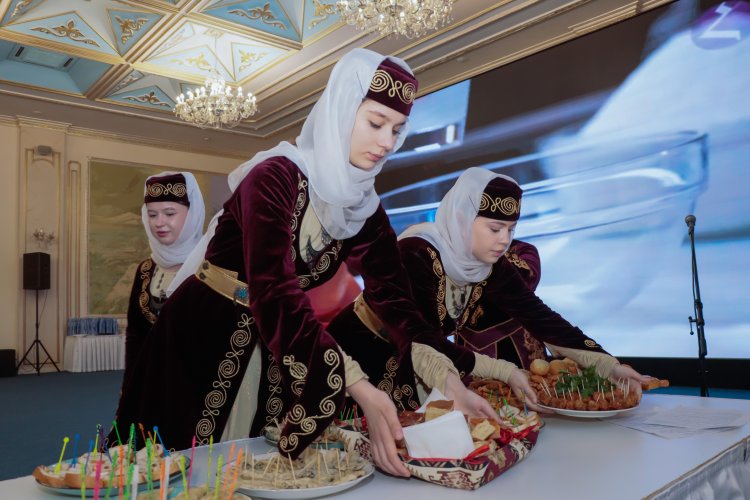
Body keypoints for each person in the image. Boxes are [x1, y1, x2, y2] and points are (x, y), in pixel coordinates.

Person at [111, 48, 496, 477]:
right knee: (182, 466)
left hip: (277, 342)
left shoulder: (363, 206)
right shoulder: (274, 177)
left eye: (397, 129)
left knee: (256, 467)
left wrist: (450, 382)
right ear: (341, 111)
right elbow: (274, 290)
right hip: (205, 330)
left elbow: (397, 302)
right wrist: (359, 386)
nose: (387, 142)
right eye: (375, 123)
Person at [327, 167, 649, 411]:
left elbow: (540, 317)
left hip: (422, 361)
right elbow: (421, 338)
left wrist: (610, 365)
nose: (504, 240)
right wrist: (503, 371)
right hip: (359, 353)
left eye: (511, 229)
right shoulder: (415, 253)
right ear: (462, 218)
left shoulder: (486, 264)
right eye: (495, 228)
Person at [122, 171, 205, 386]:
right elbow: (135, 335)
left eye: (169, 213)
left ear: (192, 214)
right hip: (151, 383)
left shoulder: (211, 266)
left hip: (198, 385)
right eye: (152, 214)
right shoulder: (145, 270)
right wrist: (130, 386)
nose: (159, 222)